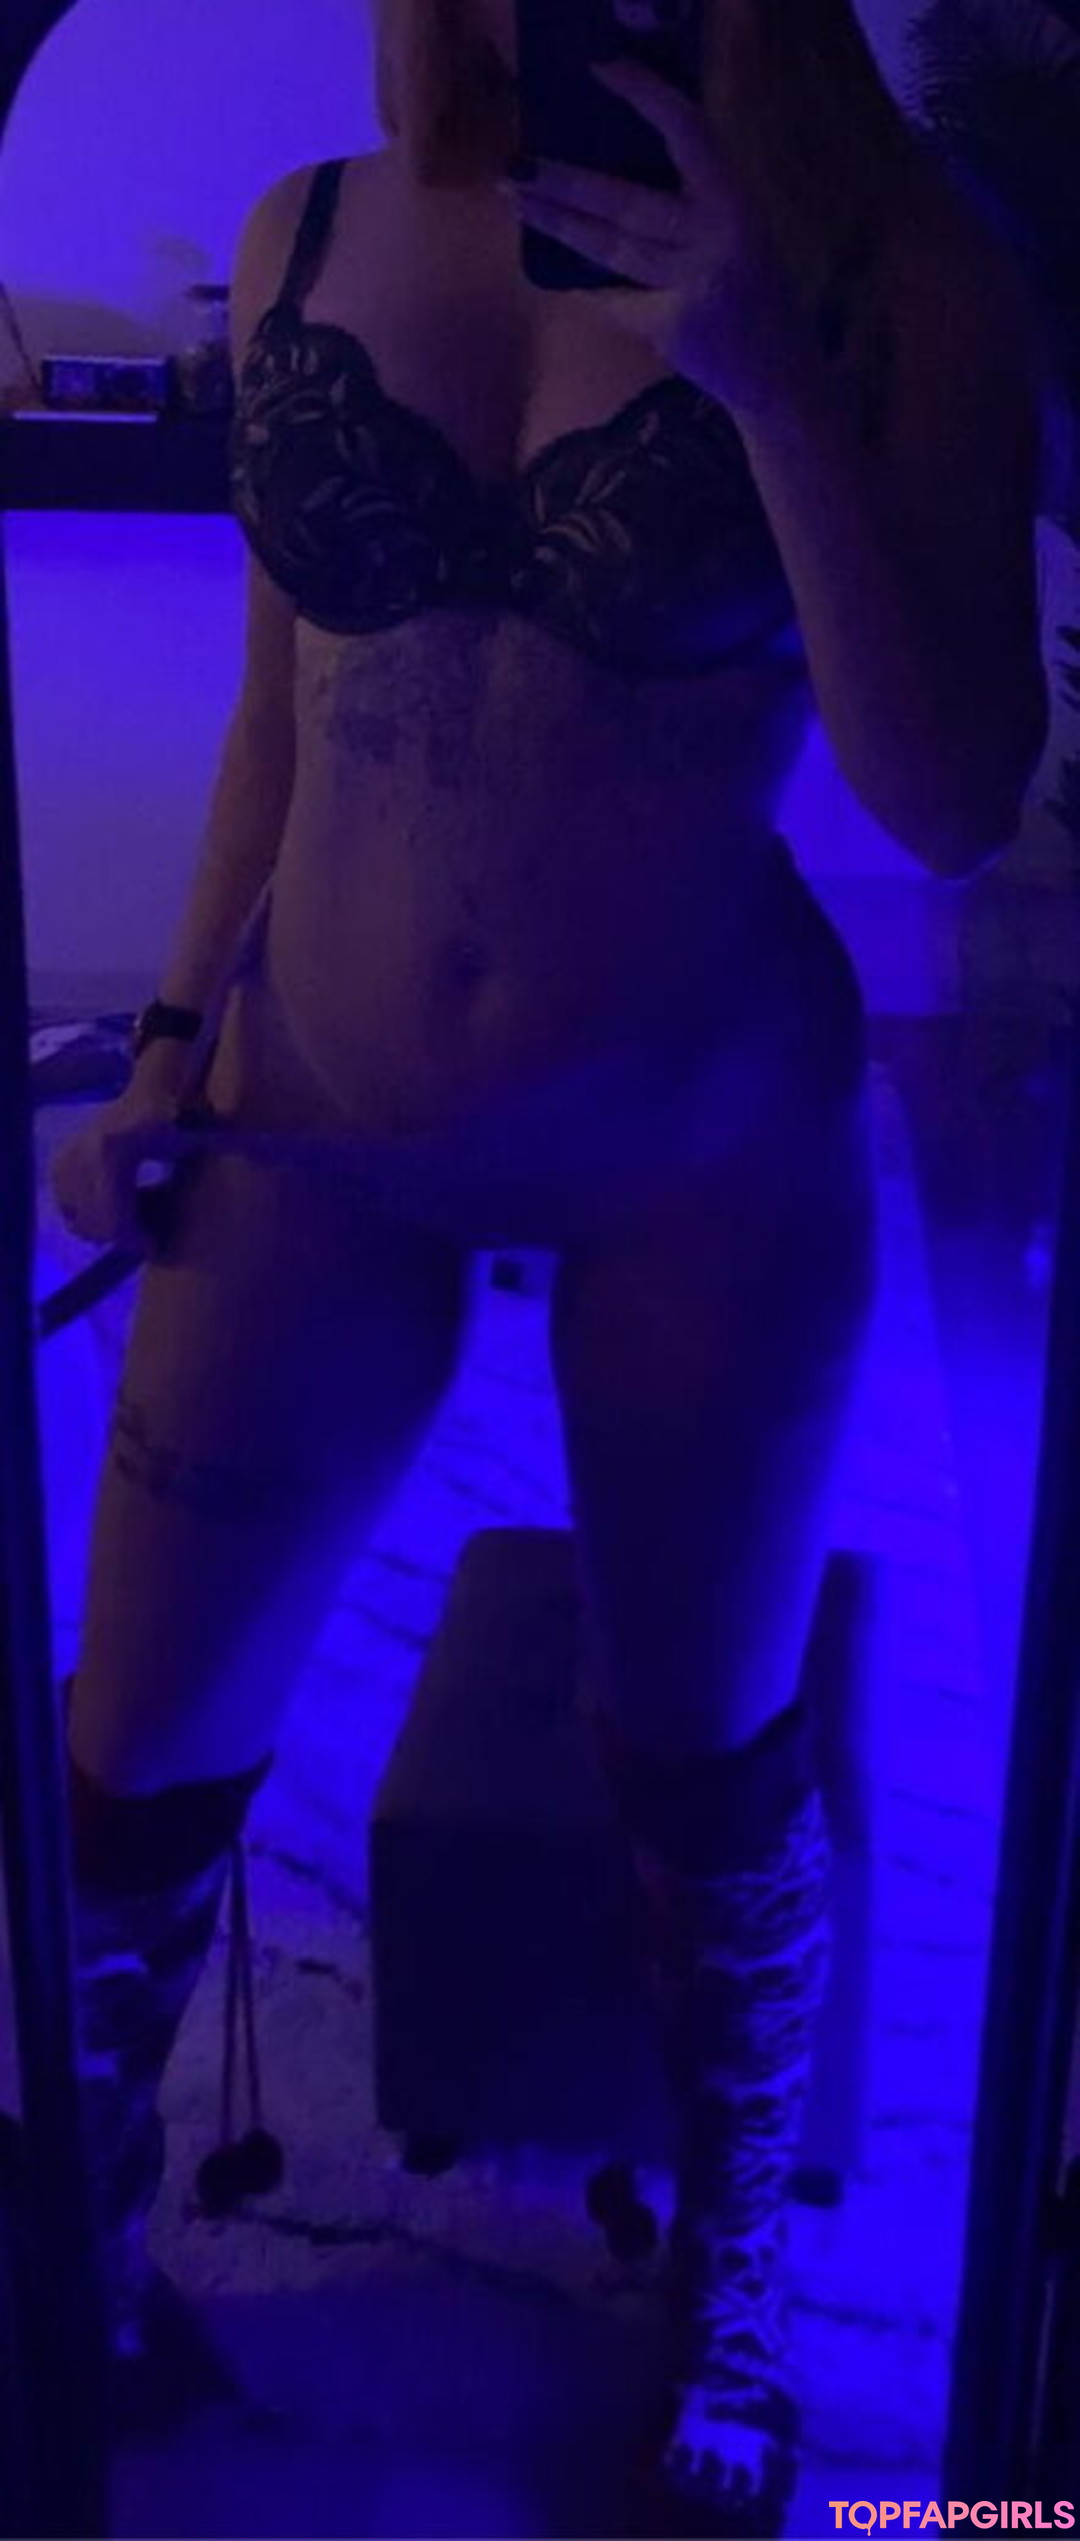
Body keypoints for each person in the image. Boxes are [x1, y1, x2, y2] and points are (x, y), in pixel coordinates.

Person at [51, 0, 1047, 2525]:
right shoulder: (308, 227)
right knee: (127, 1764)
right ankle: (78, 2256)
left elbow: (954, 794)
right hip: (318, 1106)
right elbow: (286, 705)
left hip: (698, 1136)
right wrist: (165, 1037)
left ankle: (736, 2277)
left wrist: (767, 381)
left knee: (705, 1768)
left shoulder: (894, 264)